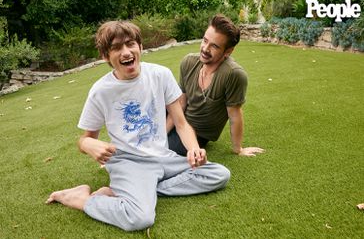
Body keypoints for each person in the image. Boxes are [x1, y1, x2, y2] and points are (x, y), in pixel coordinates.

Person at [46, 20, 230, 232]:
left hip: (162, 156)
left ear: (140, 47)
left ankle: (137, 191)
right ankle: (81, 199)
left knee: (219, 174)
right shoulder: (100, 91)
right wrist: (89, 145)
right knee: (140, 219)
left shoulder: (160, 75)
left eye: (130, 44)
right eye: (116, 48)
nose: (125, 52)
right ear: (106, 56)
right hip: (129, 162)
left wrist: (193, 148)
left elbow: (181, 123)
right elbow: (84, 139)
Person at [167, 14, 264, 157]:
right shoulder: (188, 62)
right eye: (205, 40)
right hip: (178, 117)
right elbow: (181, 103)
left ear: (228, 51)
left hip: (197, 132)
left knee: (164, 150)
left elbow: (234, 114)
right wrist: (163, 132)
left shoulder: (233, 74)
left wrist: (238, 149)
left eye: (214, 46)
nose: (205, 49)